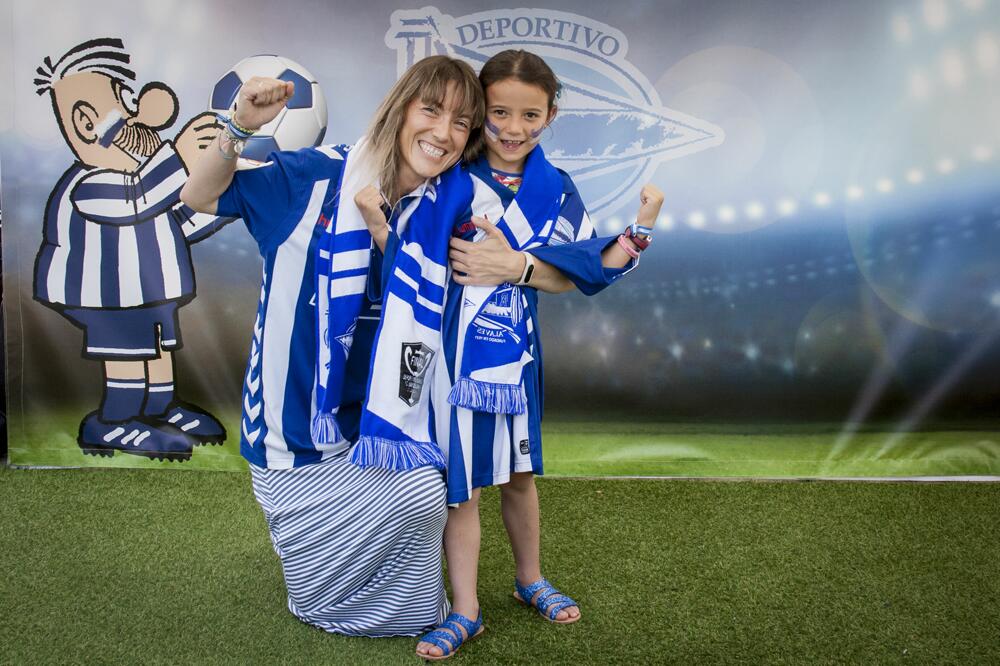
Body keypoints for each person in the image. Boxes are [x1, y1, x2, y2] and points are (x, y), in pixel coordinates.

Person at [180, 56, 499, 637]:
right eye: (430, 110)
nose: (443, 133)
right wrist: (238, 126)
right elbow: (198, 195)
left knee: (424, 492)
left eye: (462, 122)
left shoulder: (454, 209)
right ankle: (324, 590)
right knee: (319, 594)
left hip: (377, 426)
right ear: (400, 109)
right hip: (294, 431)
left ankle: (400, 606)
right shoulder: (313, 178)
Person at [411, 50, 664, 659]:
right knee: (461, 486)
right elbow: (411, 255)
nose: (514, 128)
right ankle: (464, 609)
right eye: (498, 112)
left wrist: (517, 265)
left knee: (520, 478)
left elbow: (571, 272)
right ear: (479, 111)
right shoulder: (449, 174)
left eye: (530, 114)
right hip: (451, 357)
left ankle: (529, 580)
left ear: (551, 114)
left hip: (516, 354)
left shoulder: (556, 189)